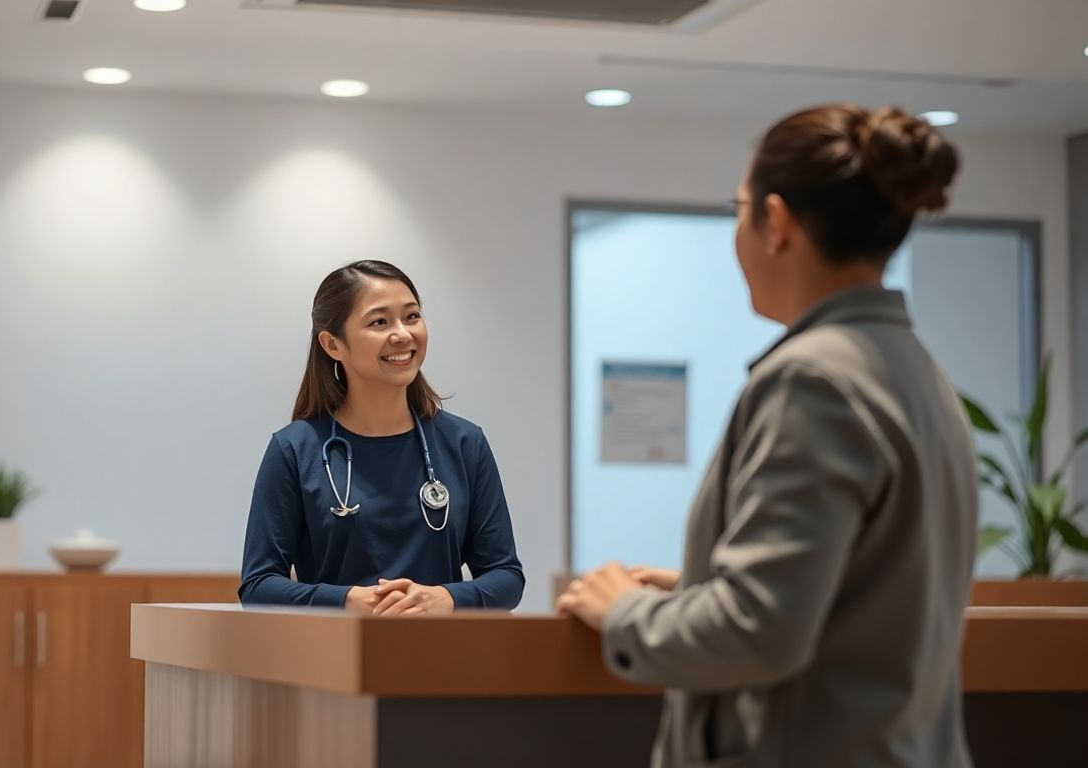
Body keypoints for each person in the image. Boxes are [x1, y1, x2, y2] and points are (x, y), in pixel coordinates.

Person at [557, 104, 976, 767]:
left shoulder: (814, 381)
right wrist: (701, 586)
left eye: (739, 206)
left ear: (775, 223)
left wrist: (627, 612)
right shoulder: (916, 369)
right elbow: (856, 598)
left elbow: (759, 629)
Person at [239, 260, 524, 615]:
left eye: (412, 316)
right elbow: (258, 584)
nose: (403, 334)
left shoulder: (464, 443)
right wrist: (347, 600)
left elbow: (507, 577)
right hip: (335, 661)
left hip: (444, 661)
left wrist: (446, 599)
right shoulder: (295, 450)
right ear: (332, 345)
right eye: (379, 322)